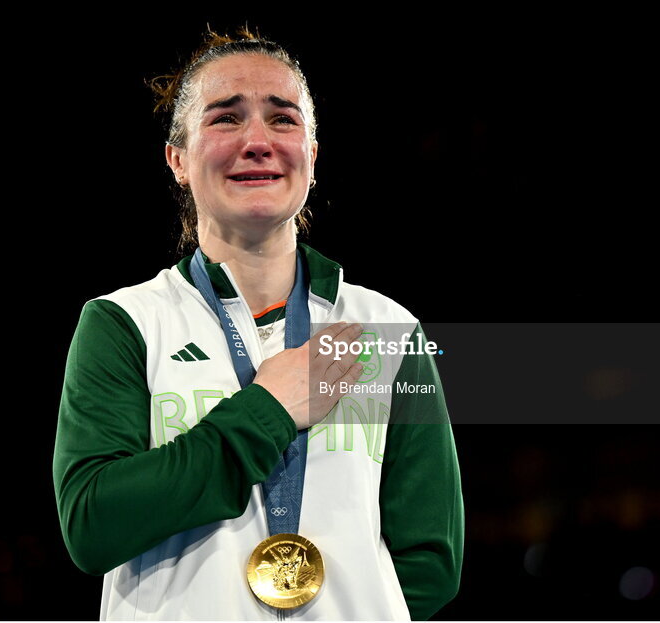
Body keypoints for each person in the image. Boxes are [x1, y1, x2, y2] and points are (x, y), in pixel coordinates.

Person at [52, 27, 463, 621]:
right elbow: (93, 523)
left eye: (282, 119)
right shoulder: (124, 324)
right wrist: (267, 409)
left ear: (313, 156)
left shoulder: (389, 331)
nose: (257, 141)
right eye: (225, 119)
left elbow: (431, 559)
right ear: (178, 160)